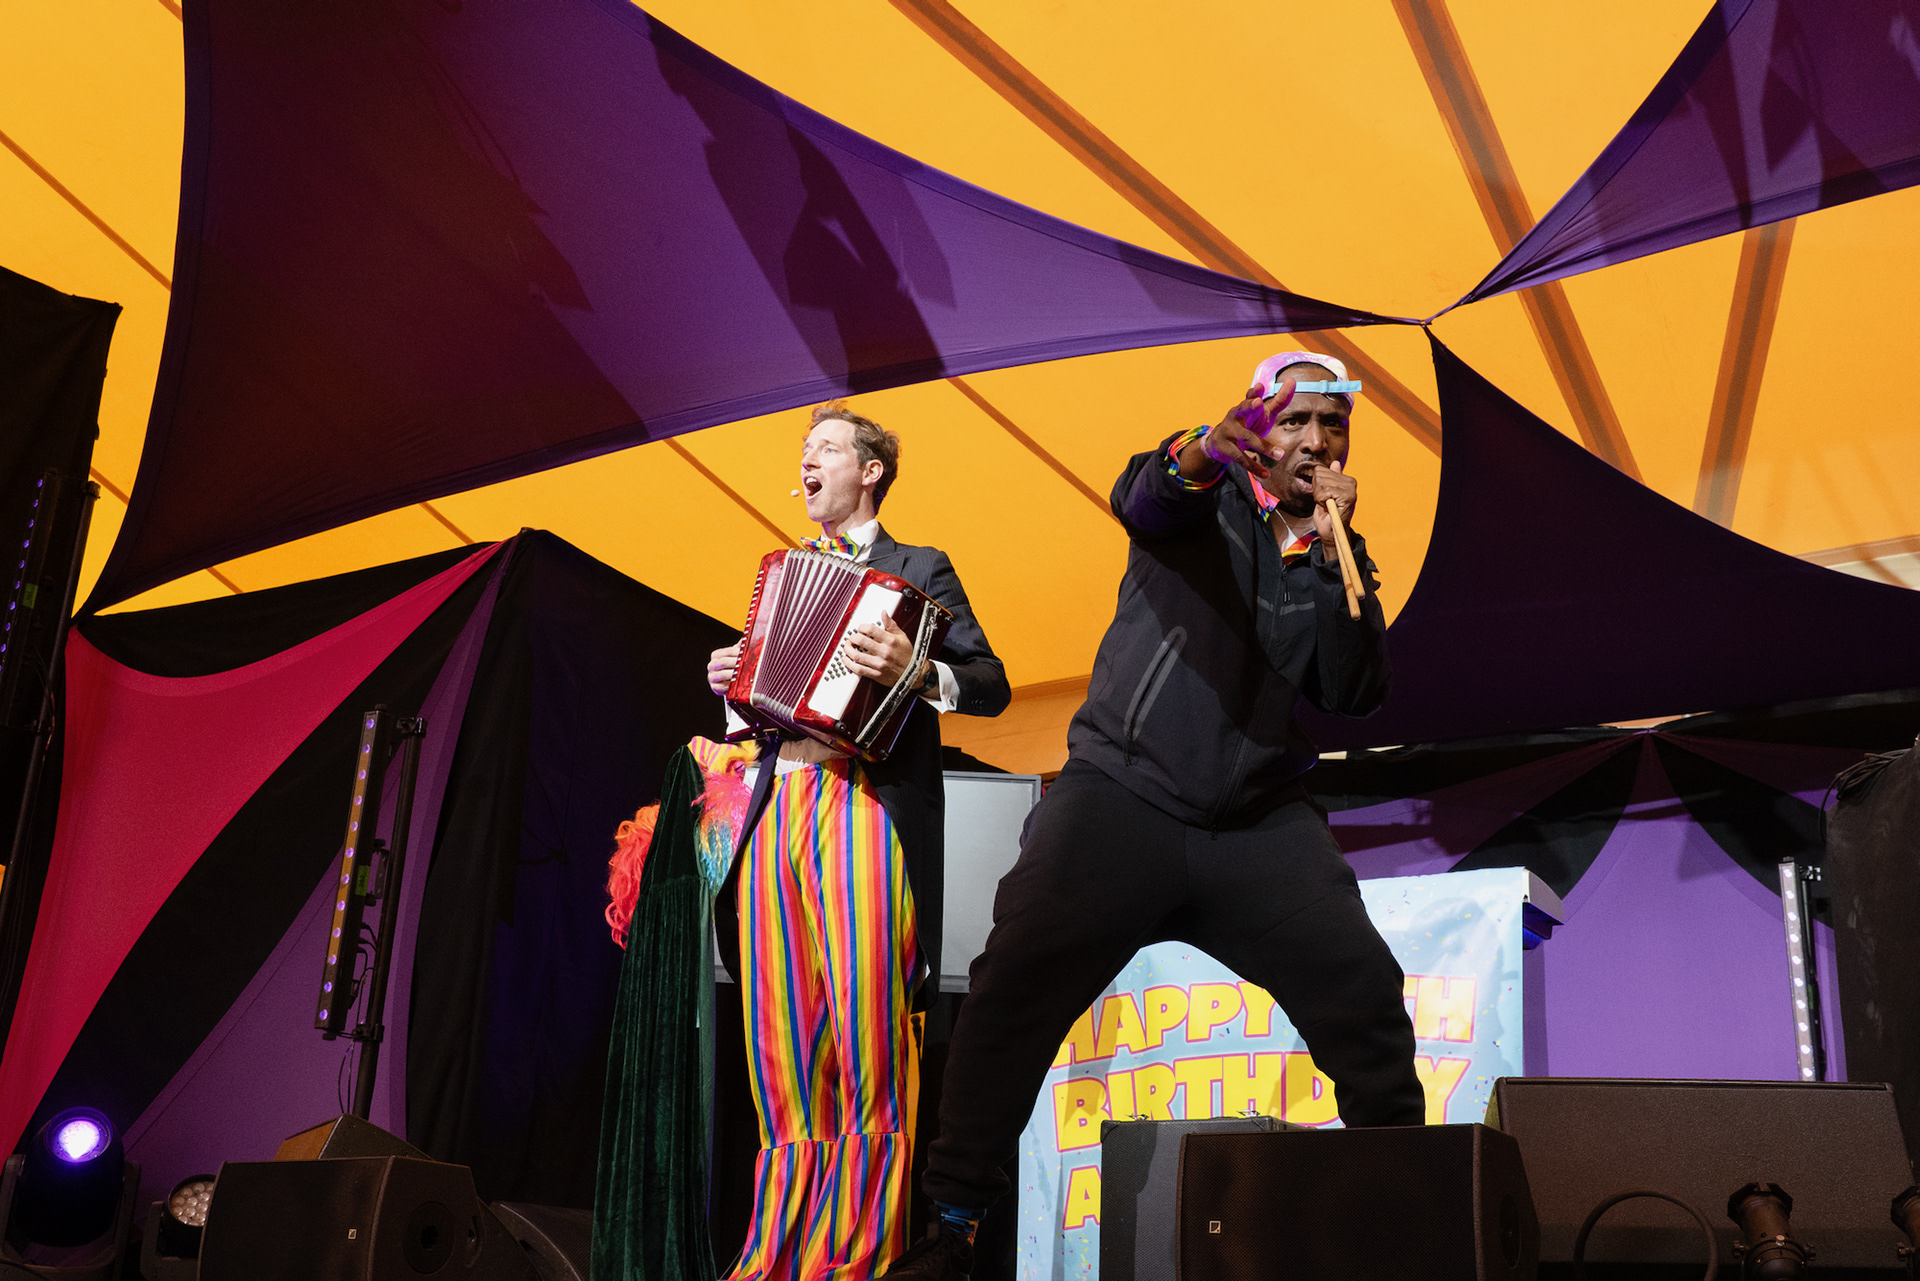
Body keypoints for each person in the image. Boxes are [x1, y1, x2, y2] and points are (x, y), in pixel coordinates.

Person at [885, 352, 1426, 1279]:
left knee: (1366, 995)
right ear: (1259, 429)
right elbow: (1144, 493)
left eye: (1332, 425)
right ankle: (952, 1227)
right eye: (1294, 420)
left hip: (1258, 823)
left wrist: (1320, 551)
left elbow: (1351, 689)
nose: (1315, 441)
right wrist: (1208, 447)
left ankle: (1407, 1221)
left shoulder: (1335, 551)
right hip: (1121, 795)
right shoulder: (1206, 496)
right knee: (1011, 985)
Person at [704, 401, 1010, 1281]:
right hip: (779, 802)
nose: (807, 462)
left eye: (826, 448)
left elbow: (990, 684)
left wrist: (916, 670)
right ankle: (779, 1252)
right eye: (803, 450)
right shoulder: (784, 572)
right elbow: (766, 701)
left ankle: (859, 1252)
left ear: (870, 471)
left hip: (862, 801)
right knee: (782, 1035)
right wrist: (731, 680)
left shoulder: (918, 566)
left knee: (864, 1031)